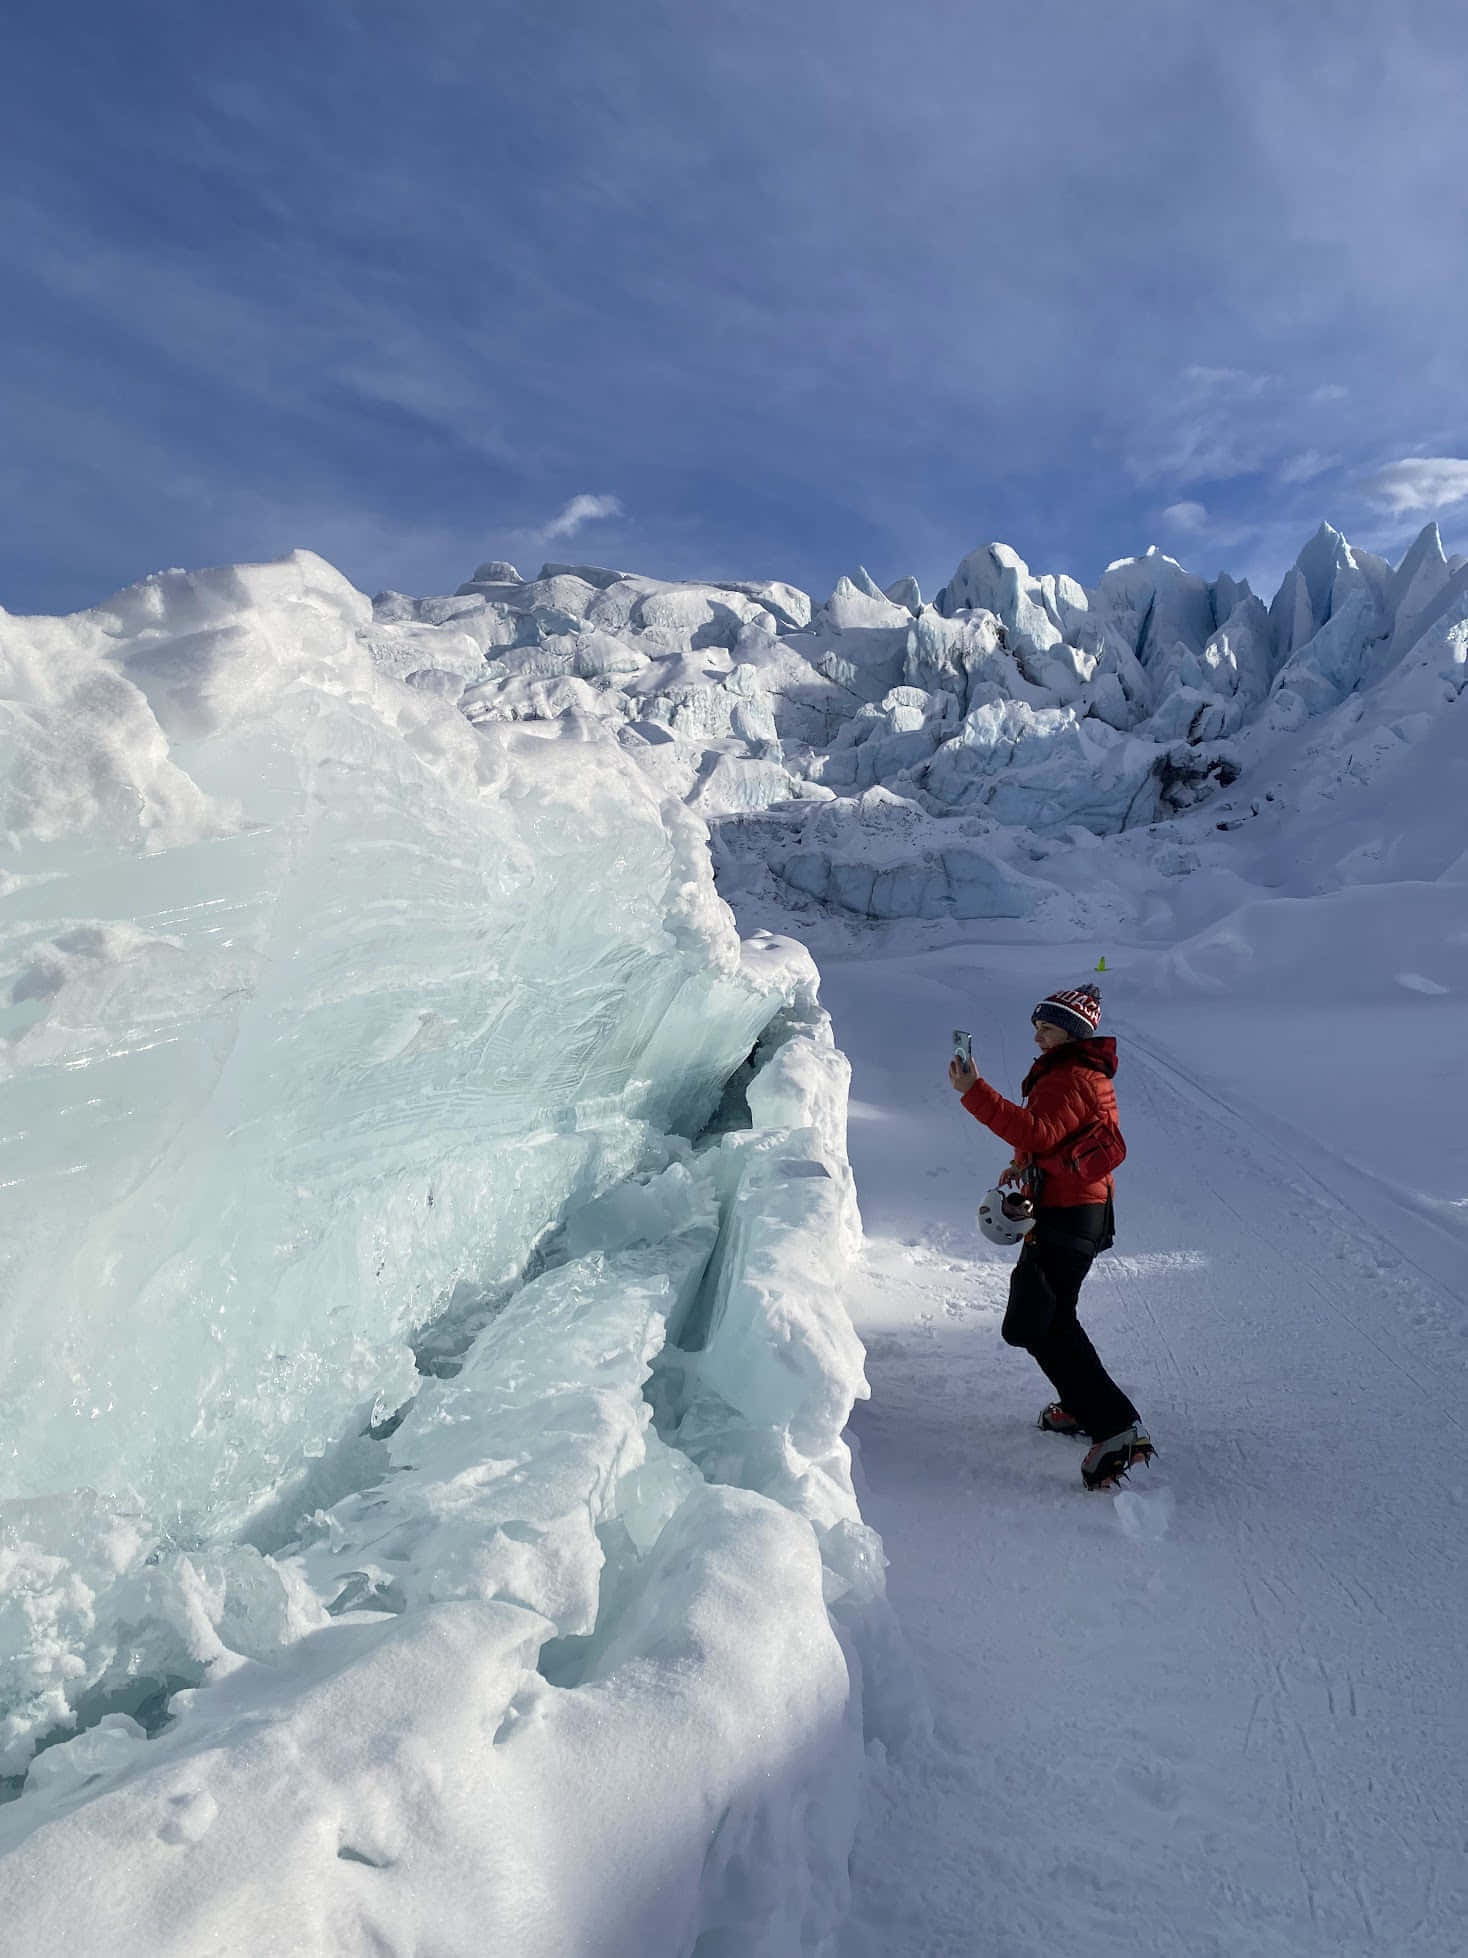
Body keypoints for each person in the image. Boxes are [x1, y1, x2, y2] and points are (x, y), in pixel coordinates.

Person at [947, 983, 1153, 1491]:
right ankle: (1083, 1407)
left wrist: (974, 1091)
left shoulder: (1069, 1076)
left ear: (1073, 1032)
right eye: (1037, 1026)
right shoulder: (1076, 1073)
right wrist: (1022, 1167)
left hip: (1070, 1214)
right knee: (1048, 1317)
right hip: (1076, 1209)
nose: (1038, 1035)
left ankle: (1116, 1427)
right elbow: (1052, 1138)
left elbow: (1038, 1131)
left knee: (1036, 1322)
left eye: (1048, 1026)